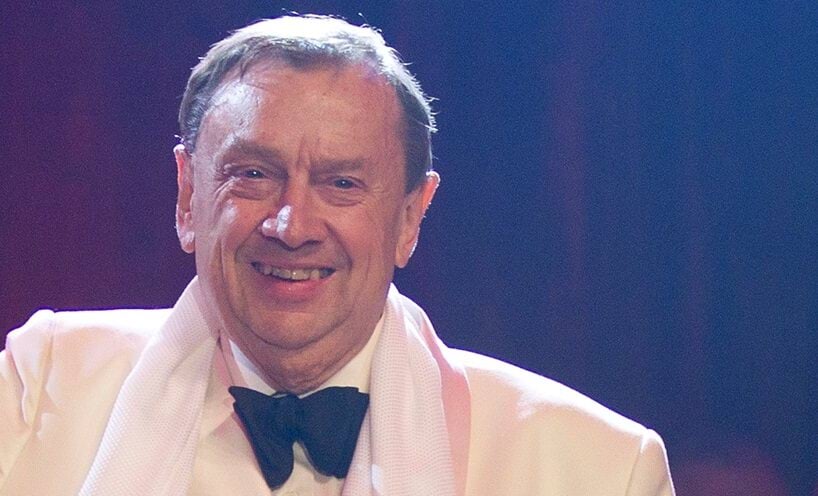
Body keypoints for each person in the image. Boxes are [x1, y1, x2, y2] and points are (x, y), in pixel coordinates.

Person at [0, 15, 675, 496]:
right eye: (253, 175)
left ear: (410, 217)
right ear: (186, 196)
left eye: (342, 183)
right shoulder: (39, 393)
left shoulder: (597, 470)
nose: (292, 225)